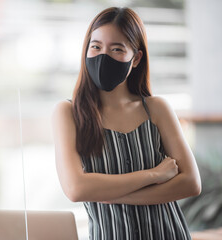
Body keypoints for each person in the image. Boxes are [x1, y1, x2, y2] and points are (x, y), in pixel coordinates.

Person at [51, 6, 201, 240]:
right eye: (96, 46)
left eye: (117, 49)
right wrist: (153, 175)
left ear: (136, 58)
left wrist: (112, 194)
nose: (103, 56)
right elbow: (76, 188)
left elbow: (191, 183)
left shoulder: (156, 109)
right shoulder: (68, 113)